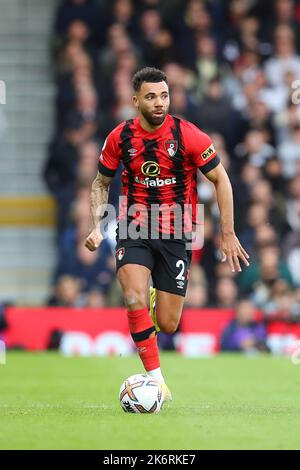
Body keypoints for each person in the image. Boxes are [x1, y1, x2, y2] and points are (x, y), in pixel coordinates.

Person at [85, 67, 250, 402]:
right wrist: (98, 225)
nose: (159, 102)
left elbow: (222, 180)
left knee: (169, 323)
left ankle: (156, 304)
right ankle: (157, 381)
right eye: (151, 96)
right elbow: (100, 183)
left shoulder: (188, 135)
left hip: (177, 230)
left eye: (164, 95)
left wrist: (227, 232)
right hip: (134, 227)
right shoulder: (120, 138)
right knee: (133, 296)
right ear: (136, 101)